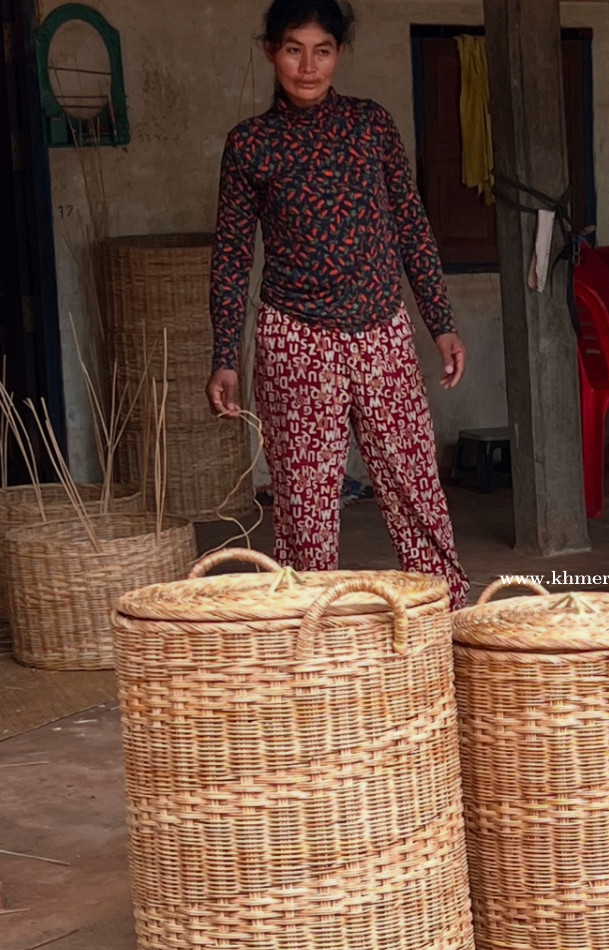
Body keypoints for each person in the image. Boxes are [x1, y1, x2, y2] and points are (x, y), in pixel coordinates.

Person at [208, 0, 470, 606]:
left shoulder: (370, 125)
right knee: (306, 510)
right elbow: (232, 256)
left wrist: (440, 323)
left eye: (321, 51)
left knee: (416, 490)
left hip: (384, 333)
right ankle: (311, 633)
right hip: (295, 341)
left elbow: (411, 227)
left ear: (339, 54)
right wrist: (225, 355)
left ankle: (445, 622)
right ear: (271, 51)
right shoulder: (251, 144)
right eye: (293, 50)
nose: (308, 66)